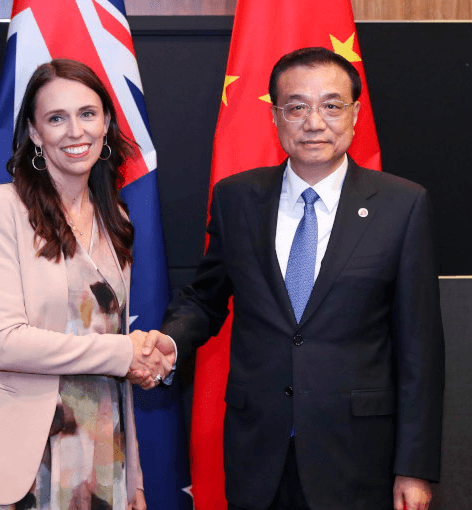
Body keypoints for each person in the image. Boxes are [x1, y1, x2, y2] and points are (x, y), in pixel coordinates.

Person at [145, 47, 445, 510]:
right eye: (297, 106)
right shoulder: (236, 198)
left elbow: (419, 348)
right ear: (276, 116)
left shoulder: (401, 206)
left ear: (355, 114)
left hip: (357, 456)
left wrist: (415, 467)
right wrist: (173, 340)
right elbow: (206, 297)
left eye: (331, 105)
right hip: (257, 451)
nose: (313, 122)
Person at [0, 59, 172, 510]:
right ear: (34, 132)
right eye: (56, 118)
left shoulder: (117, 220)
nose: (75, 131)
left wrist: (133, 476)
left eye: (87, 114)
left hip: (103, 458)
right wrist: (125, 351)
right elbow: (4, 343)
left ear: (106, 122)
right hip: (18, 462)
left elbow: (114, 360)